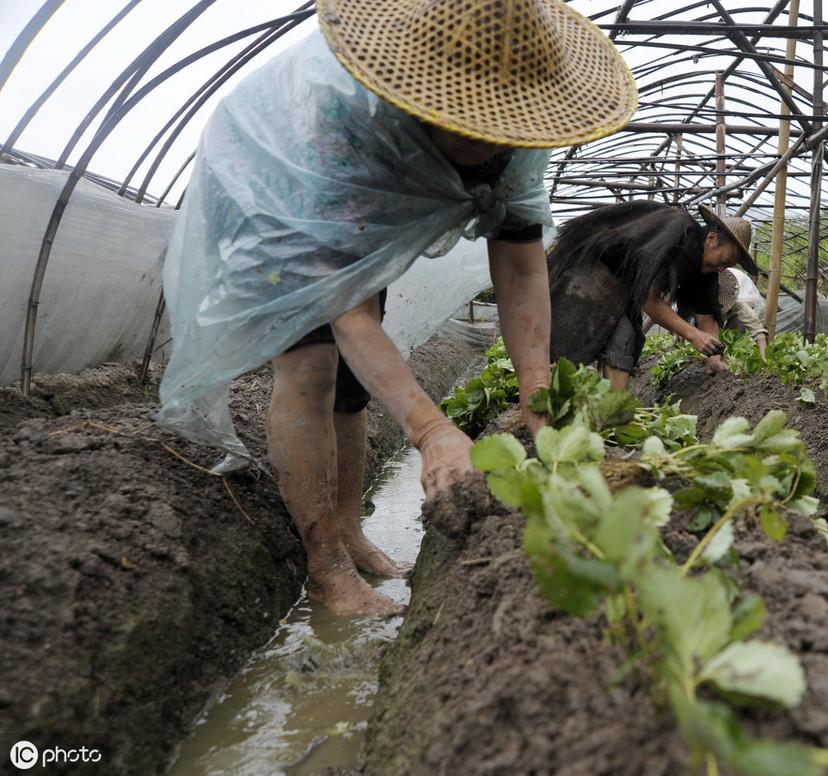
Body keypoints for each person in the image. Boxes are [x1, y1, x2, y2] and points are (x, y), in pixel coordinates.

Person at [157, 0, 637, 616]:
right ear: (422, 93)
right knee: (311, 366)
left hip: (357, 221)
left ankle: (352, 530)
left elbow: (519, 259)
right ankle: (325, 567)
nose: (485, 136)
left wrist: (536, 395)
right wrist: (431, 430)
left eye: (499, 122)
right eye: (466, 116)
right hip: (274, 195)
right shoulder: (342, 121)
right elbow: (345, 308)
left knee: (354, 382)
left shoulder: (525, 125)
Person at [547, 201, 759, 389]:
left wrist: (714, 358)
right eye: (725, 261)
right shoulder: (678, 234)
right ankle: (552, 399)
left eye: (729, 266)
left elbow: (706, 317)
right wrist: (693, 335)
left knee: (627, 338)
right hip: (590, 273)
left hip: (622, 289)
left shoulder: (705, 270)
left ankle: (610, 412)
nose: (723, 269)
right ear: (711, 239)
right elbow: (651, 301)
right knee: (585, 341)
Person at [718, 268, 769, 359]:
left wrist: (764, 358)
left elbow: (758, 332)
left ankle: (729, 354)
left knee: (736, 328)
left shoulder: (738, 303)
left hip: (743, 291)